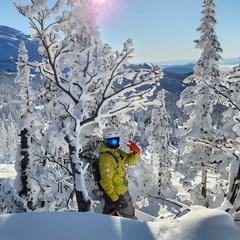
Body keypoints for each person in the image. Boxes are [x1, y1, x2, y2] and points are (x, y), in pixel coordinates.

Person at [98, 127, 141, 220]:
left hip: (121, 191)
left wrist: (136, 152)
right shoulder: (107, 158)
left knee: (114, 219)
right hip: (118, 194)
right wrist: (115, 199)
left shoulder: (115, 152)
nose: (114, 144)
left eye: (116, 140)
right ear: (105, 140)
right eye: (111, 141)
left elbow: (128, 160)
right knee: (130, 219)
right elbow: (105, 180)